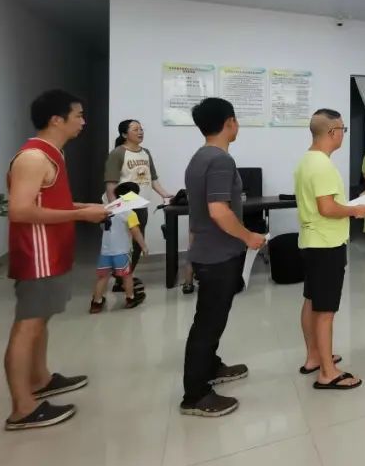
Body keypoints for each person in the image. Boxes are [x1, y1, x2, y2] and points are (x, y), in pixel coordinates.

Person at [4, 89, 109, 430]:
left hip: (54, 252)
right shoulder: (33, 158)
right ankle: (22, 409)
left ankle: (40, 379)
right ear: (56, 120)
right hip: (38, 256)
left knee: (41, 320)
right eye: (78, 115)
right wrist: (80, 216)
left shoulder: (54, 155)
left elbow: (50, 202)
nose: (83, 122)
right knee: (28, 325)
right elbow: (20, 211)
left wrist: (85, 207)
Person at [180, 97, 266, 418]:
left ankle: (211, 367)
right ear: (230, 122)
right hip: (217, 256)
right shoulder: (220, 160)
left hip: (209, 252)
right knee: (208, 323)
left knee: (212, 320)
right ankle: (195, 395)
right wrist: (249, 237)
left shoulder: (199, 156)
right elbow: (218, 210)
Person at [294, 108, 365, 390]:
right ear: (332, 132)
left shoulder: (306, 160)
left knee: (312, 300)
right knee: (325, 310)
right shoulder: (322, 165)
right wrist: (354, 210)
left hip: (312, 241)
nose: (343, 134)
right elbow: (327, 208)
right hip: (326, 244)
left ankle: (314, 356)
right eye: (343, 130)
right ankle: (328, 372)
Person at [104, 119, 172, 278]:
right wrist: (115, 209)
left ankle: (124, 277)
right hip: (125, 206)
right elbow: (111, 184)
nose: (140, 132)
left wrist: (165, 194)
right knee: (123, 245)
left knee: (138, 244)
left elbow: (152, 178)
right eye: (135, 129)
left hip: (142, 205)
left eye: (141, 129)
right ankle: (121, 278)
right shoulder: (118, 153)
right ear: (124, 134)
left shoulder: (145, 152)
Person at [90, 181, 148, 313]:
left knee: (103, 277)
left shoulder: (107, 210)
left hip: (105, 251)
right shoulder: (130, 213)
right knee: (127, 276)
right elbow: (135, 232)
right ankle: (130, 298)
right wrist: (143, 246)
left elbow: (102, 226)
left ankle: (96, 302)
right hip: (122, 252)